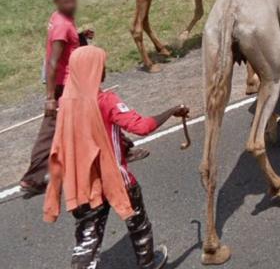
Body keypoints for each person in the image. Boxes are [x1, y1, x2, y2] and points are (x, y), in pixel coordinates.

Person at [43, 45, 185, 269]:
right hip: (115, 180)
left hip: (84, 185)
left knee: (87, 241)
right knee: (138, 224)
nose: (104, 69)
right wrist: (172, 110)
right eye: (101, 65)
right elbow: (142, 126)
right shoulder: (106, 100)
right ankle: (148, 264)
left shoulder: (66, 103)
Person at [20, 0, 92, 197]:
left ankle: (33, 177)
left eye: (73, 0)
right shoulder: (61, 25)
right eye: (66, 2)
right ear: (57, 3)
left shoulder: (60, 18)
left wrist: (80, 36)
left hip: (71, 82)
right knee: (51, 128)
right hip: (66, 85)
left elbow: (66, 44)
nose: (71, 5)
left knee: (91, 116)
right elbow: (53, 62)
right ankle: (32, 178)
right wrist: (50, 98)